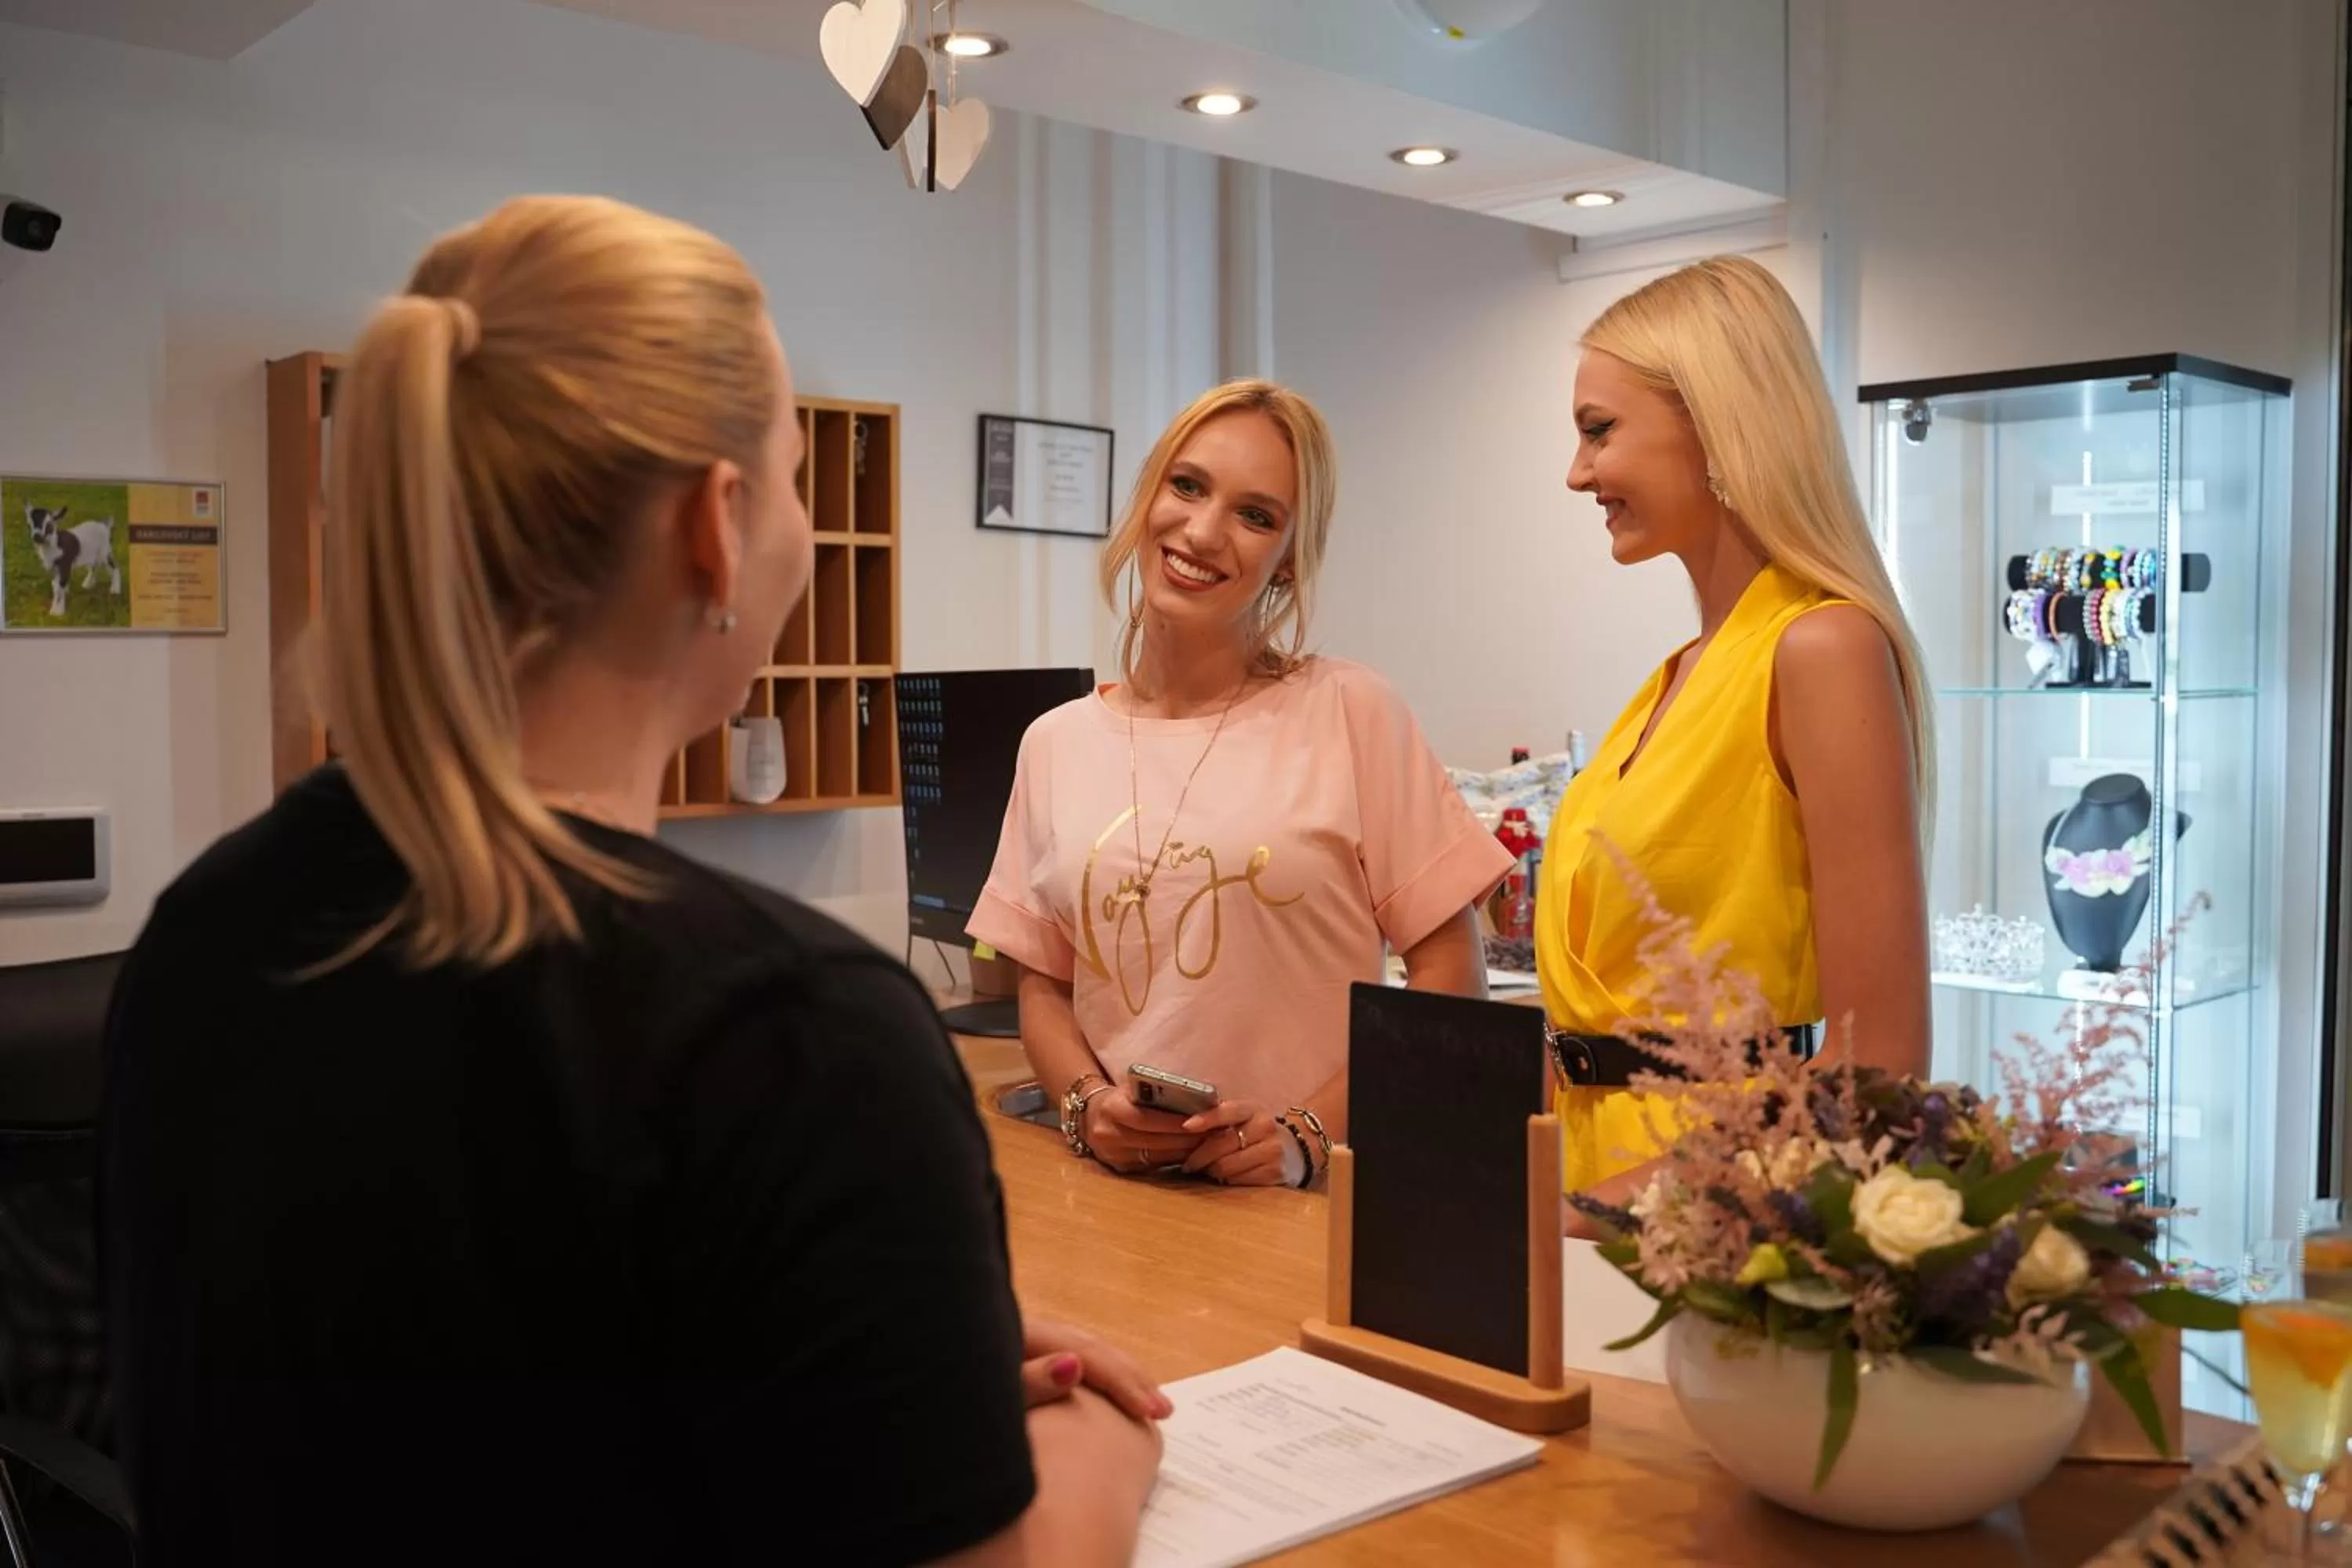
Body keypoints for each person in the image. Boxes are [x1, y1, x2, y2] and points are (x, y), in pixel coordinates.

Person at [100, 194, 1164, 1566]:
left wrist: (880, 1343)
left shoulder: (205, 930)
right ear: (716, 532)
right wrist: (1095, 1448)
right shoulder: (796, 1031)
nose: (795, 516)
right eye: (791, 473)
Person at [969, 379, 1511, 1189]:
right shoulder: (1055, 742)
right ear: (1149, 494)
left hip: (1310, 1205)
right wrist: (1084, 1104)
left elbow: (1449, 976)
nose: (1203, 530)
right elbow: (1043, 981)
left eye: (1255, 515)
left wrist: (1306, 1132)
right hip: (1123, 1206)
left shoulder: (1350, 709)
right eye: (1186, 486)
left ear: (1288, 558)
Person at [1539, 256, 1934, 1221]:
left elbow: (1876, 1057)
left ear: (1714, 422)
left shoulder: (1822, 648)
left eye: (1600, 431)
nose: (1578, 471)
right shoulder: (1675, 677)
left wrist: (1624, 1206)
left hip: (1712, 1217)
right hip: (1583, 1185)